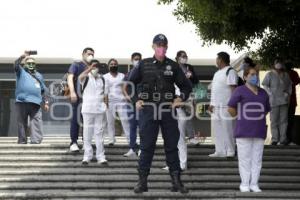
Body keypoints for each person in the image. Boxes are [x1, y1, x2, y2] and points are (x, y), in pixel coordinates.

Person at [128, 34, 192, 194]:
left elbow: (186, 86)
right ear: (153, 46)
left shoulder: (173, 65)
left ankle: (176, 182)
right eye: (158, 45)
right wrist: (135, 100)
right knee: (146, 146)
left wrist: (180, 98)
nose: (161, 47)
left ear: (167, 47)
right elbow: (129, 84)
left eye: (163, 45)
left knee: (172, 146)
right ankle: (142, 182)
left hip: (168, 110)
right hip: (148, 110)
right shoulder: (143, 64)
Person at [228, 66, 270, 192]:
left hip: (259, 130)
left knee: (257, 159)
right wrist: (240, 117)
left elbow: (266, 109)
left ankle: (254, 184)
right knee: (245, 159)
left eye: (256, 74)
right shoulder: (239, 90)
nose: (254, 77)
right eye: (251, 74)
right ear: (245, 77)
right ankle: (245, 184)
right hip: (243, 131)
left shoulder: (263, 93)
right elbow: (230, 107)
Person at [14, 51, 49, 144]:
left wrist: (46, 102)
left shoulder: (39, 75)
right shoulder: (21, 71)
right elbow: (16, 65)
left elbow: (44, 90)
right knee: (22, 122)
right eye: (29, 63)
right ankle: (22, 141)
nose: (31, 65)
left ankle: (36, 140)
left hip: (36, 103)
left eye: (33, 63)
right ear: (25, 64)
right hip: (22, 101)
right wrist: (22, 56)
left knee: (36, 121)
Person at [78, 60, 108, 165]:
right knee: (87, 133)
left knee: (99, 134)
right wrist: (90, 68)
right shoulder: (86, 77)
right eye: (93, 66)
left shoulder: (103, 79)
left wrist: (106, 107)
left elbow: (105, 95)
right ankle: (87, 156)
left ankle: (101, 157)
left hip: (100, 110)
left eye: (96, 66)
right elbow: (79, 77)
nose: (95, 68)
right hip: (87, 109)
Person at [208, 52, 238, 157]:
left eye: (217, 59)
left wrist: (233, 104)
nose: (216, 61)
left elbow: (233, 89)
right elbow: (214, 90)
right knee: (218, 130)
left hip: (227, 106)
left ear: (220, 59)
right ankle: (219, 150)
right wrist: (211, 103)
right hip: (216, 107)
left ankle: (230, 150)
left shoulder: (231, 71)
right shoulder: (217, 73)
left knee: (228, 129)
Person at [67, 47, 95, 152]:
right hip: (78, 98)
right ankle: (73, 142)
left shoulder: (93, 67)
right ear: (83, 54)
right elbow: (70, 78)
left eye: (92, 54)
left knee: (88, 122)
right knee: (76, 119)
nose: (90, 55)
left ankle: (86, 142)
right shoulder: (76, 64)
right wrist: (73, 92)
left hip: (90, 99)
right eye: (88, 53)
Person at [262, 59, 292, 145]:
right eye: (277, 63)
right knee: (274, 120)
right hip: (273, 101)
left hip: (284, 101)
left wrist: (288, 94)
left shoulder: (286, 75)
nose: (278, 65)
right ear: (274, 64)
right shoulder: (270, 74)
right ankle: (275, 139)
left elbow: (290, 85)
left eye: (280, 63)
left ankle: (283, 139)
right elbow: (265, 85)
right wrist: (270, 93)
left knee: (284, 120)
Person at [103, 59, 130, 146]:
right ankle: (111, 139)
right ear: (108, 66)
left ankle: (130, 139)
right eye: (111, 64)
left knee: (125, 120)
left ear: (117, 65)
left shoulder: (122, 75)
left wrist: (126, 97)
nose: (113, 65)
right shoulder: (105, 76)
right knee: (110, 121)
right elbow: (105, 90)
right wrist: (106, 103)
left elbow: (124, 88)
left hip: (121, 101)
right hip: (110, 101)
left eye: (115, 64)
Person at [175, 50, 199, 145]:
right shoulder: (174, 67)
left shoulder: (189, 67)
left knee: (188, 116)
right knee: (177, 117)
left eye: (185, 56)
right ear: (177, 57)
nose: (184, 58)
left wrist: (191, 75)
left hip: (188, 95)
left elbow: (196, 81)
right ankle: (177, 138)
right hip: (176, 95)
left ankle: (191, 137)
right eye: (182, 56)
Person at [122, 52, 142, 157]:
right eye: (135, 59)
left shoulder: (144, 73)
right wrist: (126, 96)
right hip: (130, 104)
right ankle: (133, 148)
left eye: (139, 59)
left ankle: (142, 149)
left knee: (143, 126)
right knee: (132, 126)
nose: (137, 61)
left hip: (142, 103)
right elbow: (124, 88)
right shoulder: (128, 74)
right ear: (131, 60)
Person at [285, 60, 300, 145]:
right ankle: (287, 138)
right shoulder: (292, 73)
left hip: (289, 100)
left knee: (288, 120)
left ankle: (287, 138)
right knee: (288, 120)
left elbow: (297, 81)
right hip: (288, 100)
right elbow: (297, 81)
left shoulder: (292, 73)